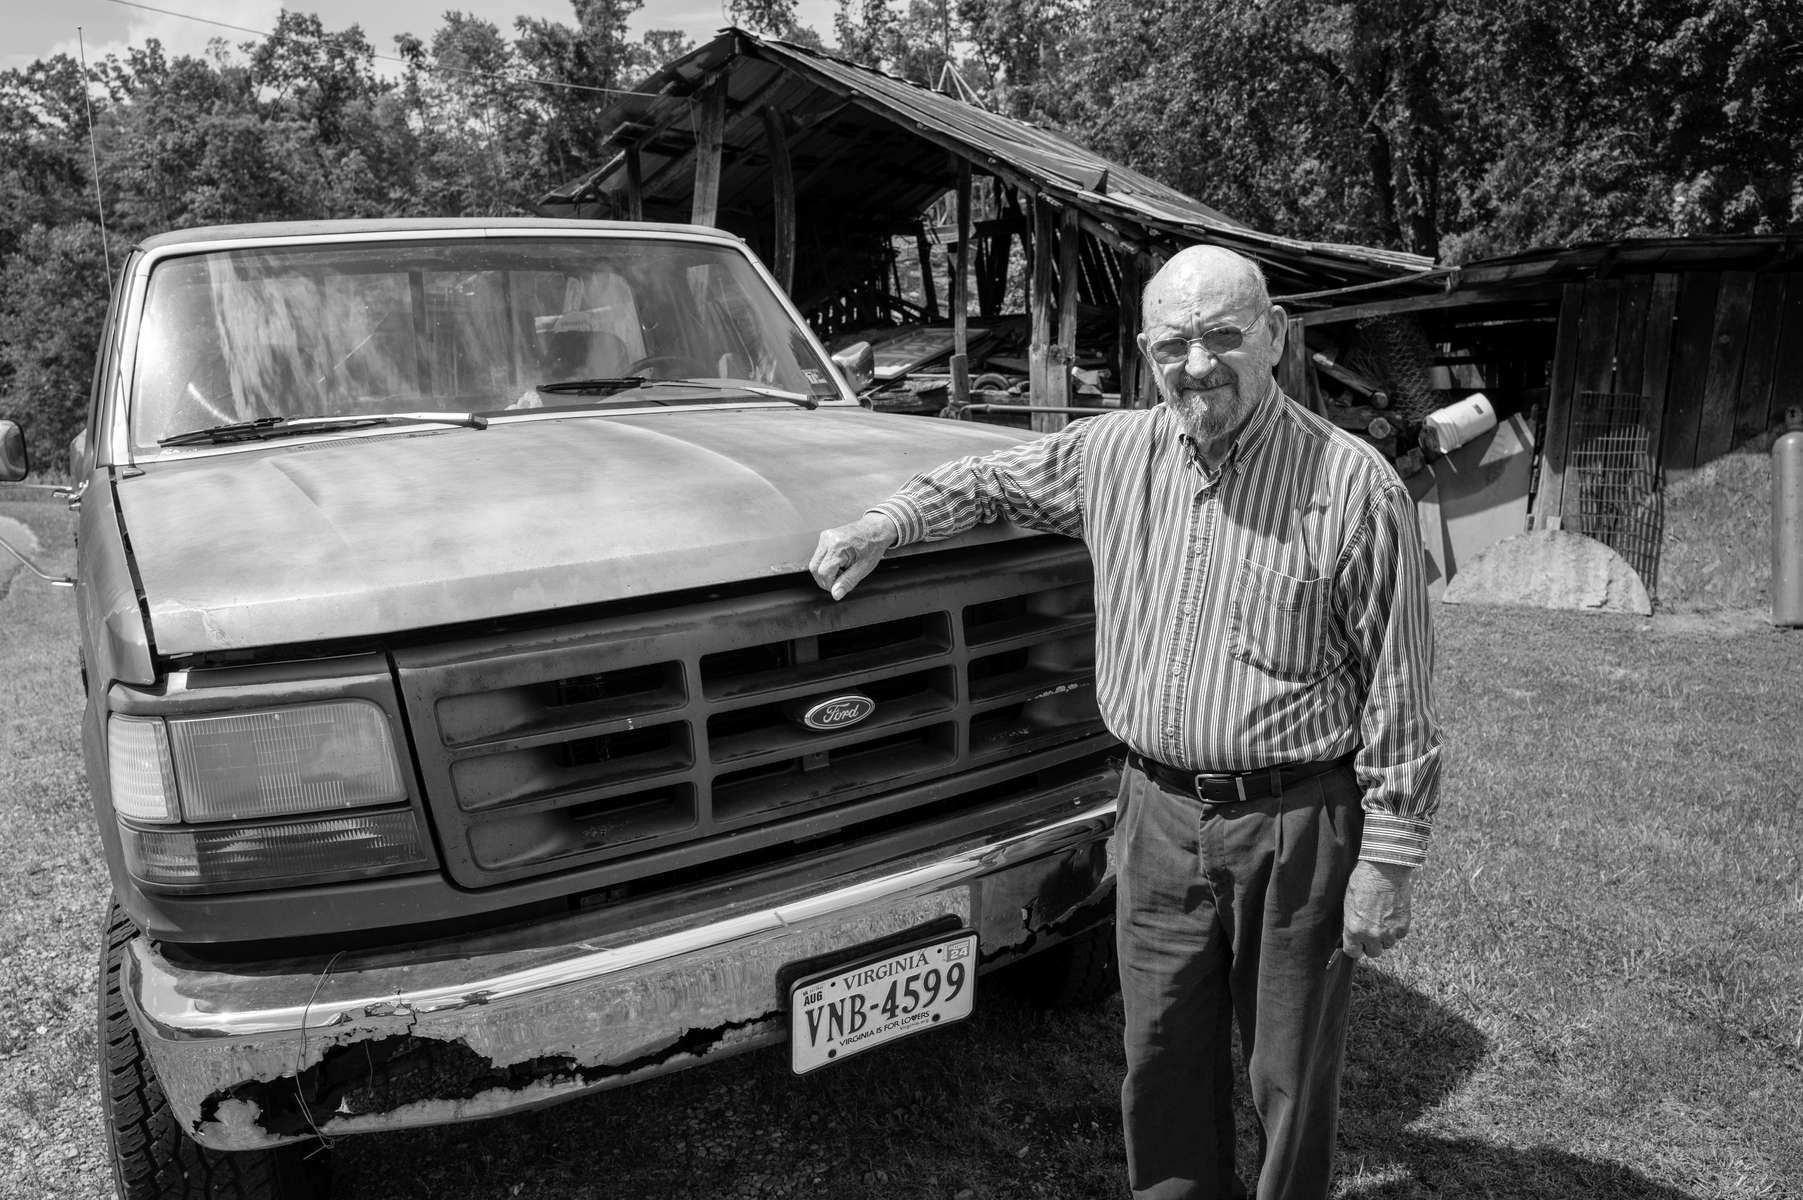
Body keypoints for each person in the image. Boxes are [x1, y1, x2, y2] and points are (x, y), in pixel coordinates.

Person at [809, 244, 1442, 1200]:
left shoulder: (1352, 486)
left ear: (1272, 336)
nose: (1196, 366)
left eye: (1223, 337)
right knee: (1157, 1056)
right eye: (1172, 345)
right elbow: (986, 479)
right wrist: (885, 524)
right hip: (1152, 815)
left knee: (1288, 1074)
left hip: (1296, 823)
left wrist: (1387, 863)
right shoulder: (1110, 454)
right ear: (1145, 351)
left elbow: (1400, 686)